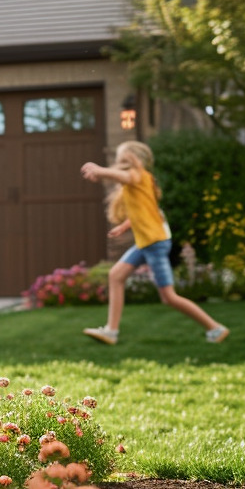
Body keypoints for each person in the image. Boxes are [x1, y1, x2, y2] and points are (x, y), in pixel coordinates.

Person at [80, 140, 229, 346]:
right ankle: (111, 331)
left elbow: (125, 175)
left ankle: (215, 328)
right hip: (146, 242)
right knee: (116, 276)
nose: (118, 163)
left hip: (155, 243)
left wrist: (101, 170)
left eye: (122, 158)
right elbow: (144, 212)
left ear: (133, 159)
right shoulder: (136, 184)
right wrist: (124, 227)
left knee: (169, 297)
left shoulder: (139, 176)